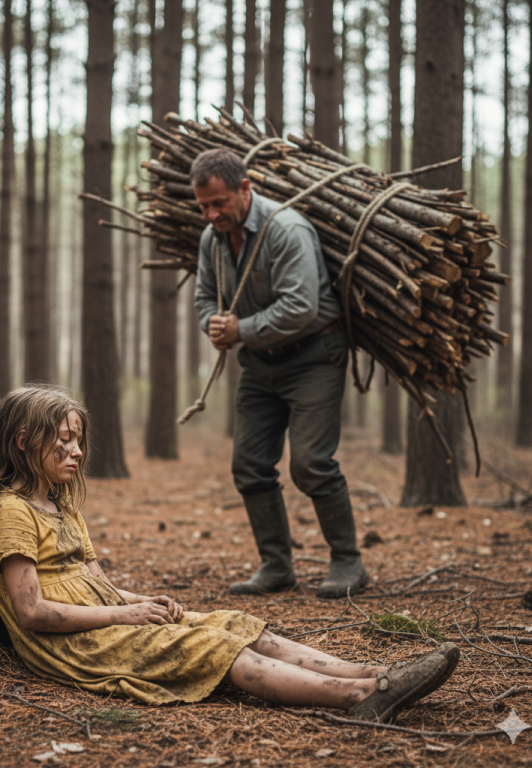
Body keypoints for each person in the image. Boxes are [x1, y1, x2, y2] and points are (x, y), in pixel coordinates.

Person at [0, 383, 459, 722]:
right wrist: (123, 617)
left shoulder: (63, 507)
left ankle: (379, 674)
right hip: (74, 646)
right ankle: (358, 696)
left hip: (106, 621)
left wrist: (141, 603)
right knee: (210, 646)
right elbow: (32, 611)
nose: (77, 451)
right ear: (23, 442)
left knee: (232, 623)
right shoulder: (11, 513)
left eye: (78, 440)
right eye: (63, 440)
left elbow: (97, 584)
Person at [192, 148, 364, 598]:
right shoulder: (212, 239)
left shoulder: (285, 229)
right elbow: (205, 297)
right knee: (249, 464)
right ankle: (276, 566)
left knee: (311, 464)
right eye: (204, 206)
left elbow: (301, 306)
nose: (212, 214)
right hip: (259, 362)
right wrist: (211, 322)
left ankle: (349, 563)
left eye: (220, 203)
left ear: (245, 189)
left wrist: (240, 329)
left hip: (314, 356)